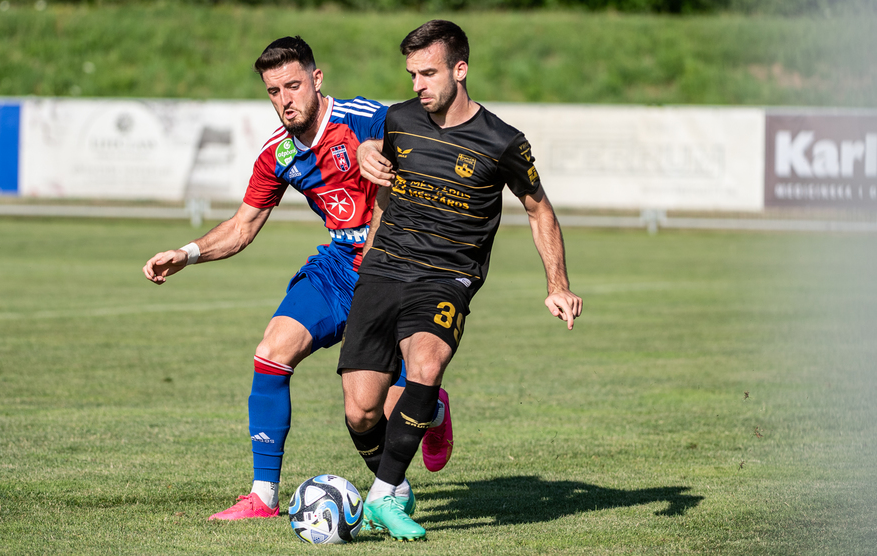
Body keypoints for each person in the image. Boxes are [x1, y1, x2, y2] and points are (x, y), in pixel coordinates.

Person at [142, 36, 453, 522]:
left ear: (316, 79)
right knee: (271, 352)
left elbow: (415, 138)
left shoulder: (363, 118)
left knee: (375, 409)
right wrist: (188, 253)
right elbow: (243, 226)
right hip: (338, 267)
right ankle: (264, 496)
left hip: (396, 270)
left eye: (293, 85)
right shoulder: (278, 153)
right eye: (274, 91)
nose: (285, 100)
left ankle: (432, 411)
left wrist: (378, 148)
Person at [338, 20, 583, 540]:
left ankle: (382, 494)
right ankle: (403, 467)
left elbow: (539, 210)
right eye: (412, 74)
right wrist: (365, 159)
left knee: (426, 365)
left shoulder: (502, 141)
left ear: (460, 69)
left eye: (428, 73)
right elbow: (378, 178)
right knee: (361, 412)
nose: (417, 85)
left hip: (448, 277)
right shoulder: (399, 119)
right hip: (384, 268)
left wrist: (557, 284)